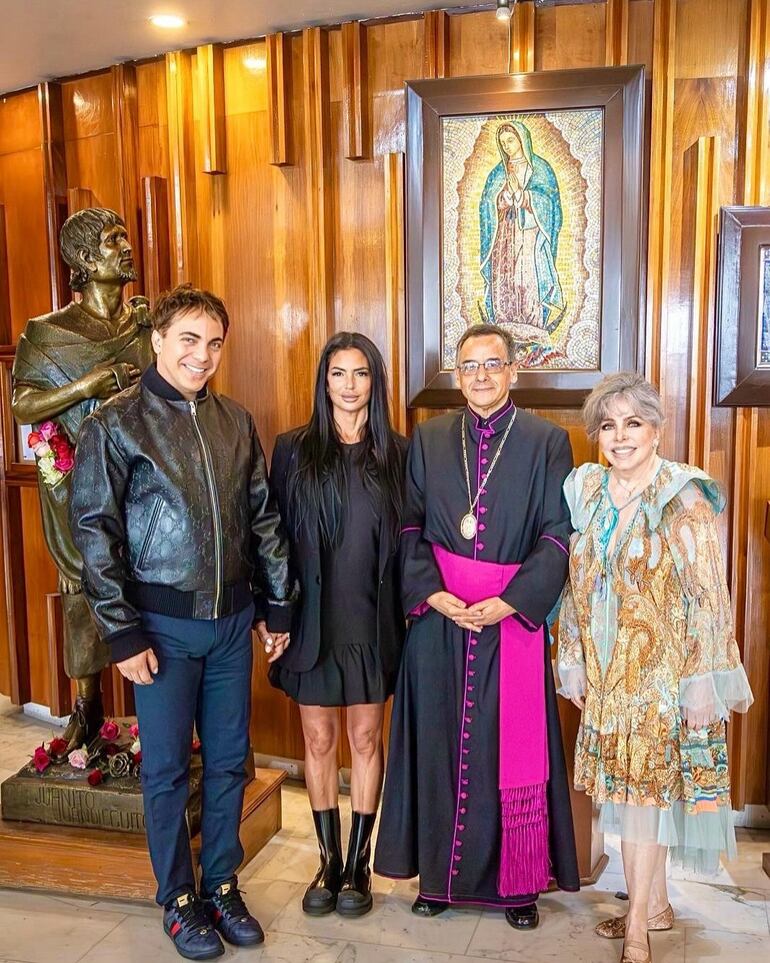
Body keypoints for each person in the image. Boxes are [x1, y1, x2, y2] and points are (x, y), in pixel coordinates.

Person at [70, 284, 296, 961]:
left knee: (229, 762)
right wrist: (122, 631)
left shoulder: (234, 420)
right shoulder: (116, 424)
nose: (203, 355)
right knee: (167, 770)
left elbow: (263, 519)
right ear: (160, 340)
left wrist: (277, 604)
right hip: (161, 631)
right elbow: (94, 530)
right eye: (190, 340)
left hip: (231, 624)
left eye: (214, 342)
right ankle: (176, 897)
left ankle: (221, 882)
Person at [374, 322, 579, 930]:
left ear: (514, 372)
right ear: (457, 375)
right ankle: (437, 879)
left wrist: (514, 602)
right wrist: (430, 593)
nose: (481, 376)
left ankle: (516, 886)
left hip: (510, 622)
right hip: (440, 620)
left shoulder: (547, 441)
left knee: (507, 752)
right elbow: (409, 527)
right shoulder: (429, 439)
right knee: (437, 745)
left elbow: (556, 533)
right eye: (469, 366)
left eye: (493, 365)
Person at [557, 372, 753, 963]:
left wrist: (702, 681)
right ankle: (659, 905)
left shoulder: (683, 494)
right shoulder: (586, 489)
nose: (619, 437)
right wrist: (571, 656)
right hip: (609, 672)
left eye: (632, 423)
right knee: (634, 796)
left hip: (662, 676)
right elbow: (576, 582)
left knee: (644, 801)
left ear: (656, 429)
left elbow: (709, 595)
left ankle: (639, 925)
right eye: (608, 425)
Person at [268, 331, 407, 918]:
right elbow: (270, 540)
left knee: (366, 739)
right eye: (337, 374)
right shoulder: (293, 450)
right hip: (311, 624)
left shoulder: (399, 454)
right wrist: (271, 613)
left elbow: (412, 543)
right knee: (319, 740)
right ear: (323, 382)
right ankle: (326, 861)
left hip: (372, 623)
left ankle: (358, 864)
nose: (348, 386)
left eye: (360, 374)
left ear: (375, 382)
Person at [12, 207, 153, 752]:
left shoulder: (146, 325)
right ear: (85, 260)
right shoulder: (47, 334)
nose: (126, 247)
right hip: (75, 486)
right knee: (81, 594)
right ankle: (86, 708)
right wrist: (89, 384)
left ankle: (155, 718)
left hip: (143, 482)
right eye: (114, 241)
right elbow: (23, 404)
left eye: (124, 237)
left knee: (149, 588)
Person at [479, 122, 564, 338]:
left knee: (526, 276)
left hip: (530, 232)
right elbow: (486, 204)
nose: (507, 146)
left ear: (522, 139)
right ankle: (505, 320)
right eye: (503, 142)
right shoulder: (498, 173)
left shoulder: (541, 169)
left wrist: (526, 198)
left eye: (511, 140)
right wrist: (500, 201)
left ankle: (532, 321)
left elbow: (551, 204)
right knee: (506, 275)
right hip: (505, 233)